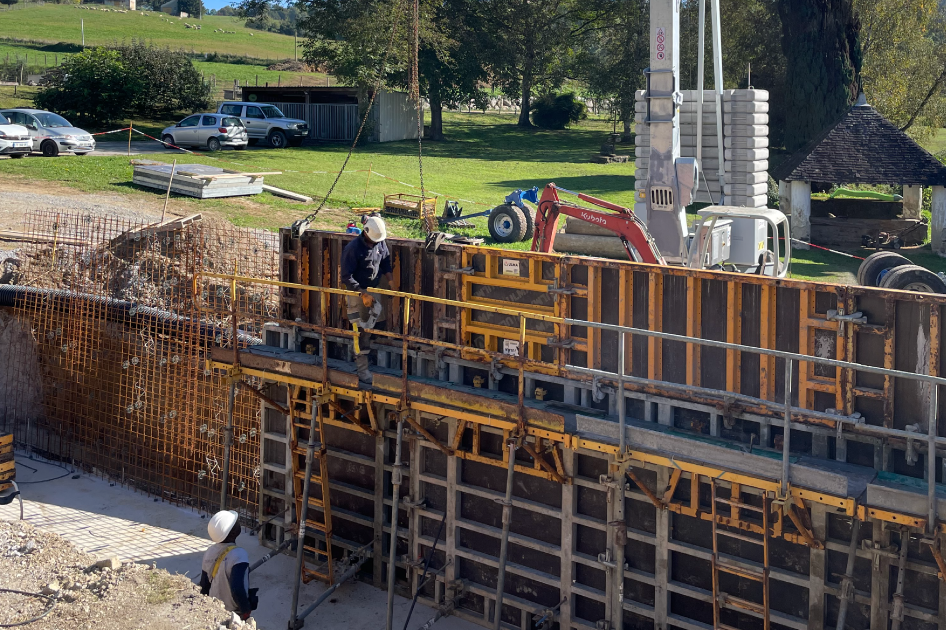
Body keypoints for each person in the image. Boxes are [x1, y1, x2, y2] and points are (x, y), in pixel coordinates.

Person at [340, 215, 393, 384]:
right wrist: (362, 294)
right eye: (373, 240)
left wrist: (391, 282)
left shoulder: (379, 242)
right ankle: (362, 370)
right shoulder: (353, 249)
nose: (375, 243)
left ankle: (369, 357)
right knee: (360, 331)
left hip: (373, 290)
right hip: (356, 293)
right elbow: (346, 276)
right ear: (366, 233)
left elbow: (385, 261)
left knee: (378, 324)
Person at [200, 510, 258, 620]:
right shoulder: (239, 555)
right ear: (232, 532)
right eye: (235, 523)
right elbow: (237, 588)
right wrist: (245, 610)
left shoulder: (210, 551)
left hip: (214, 608)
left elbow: (204, 584)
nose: (238, 522)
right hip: (232, 613)